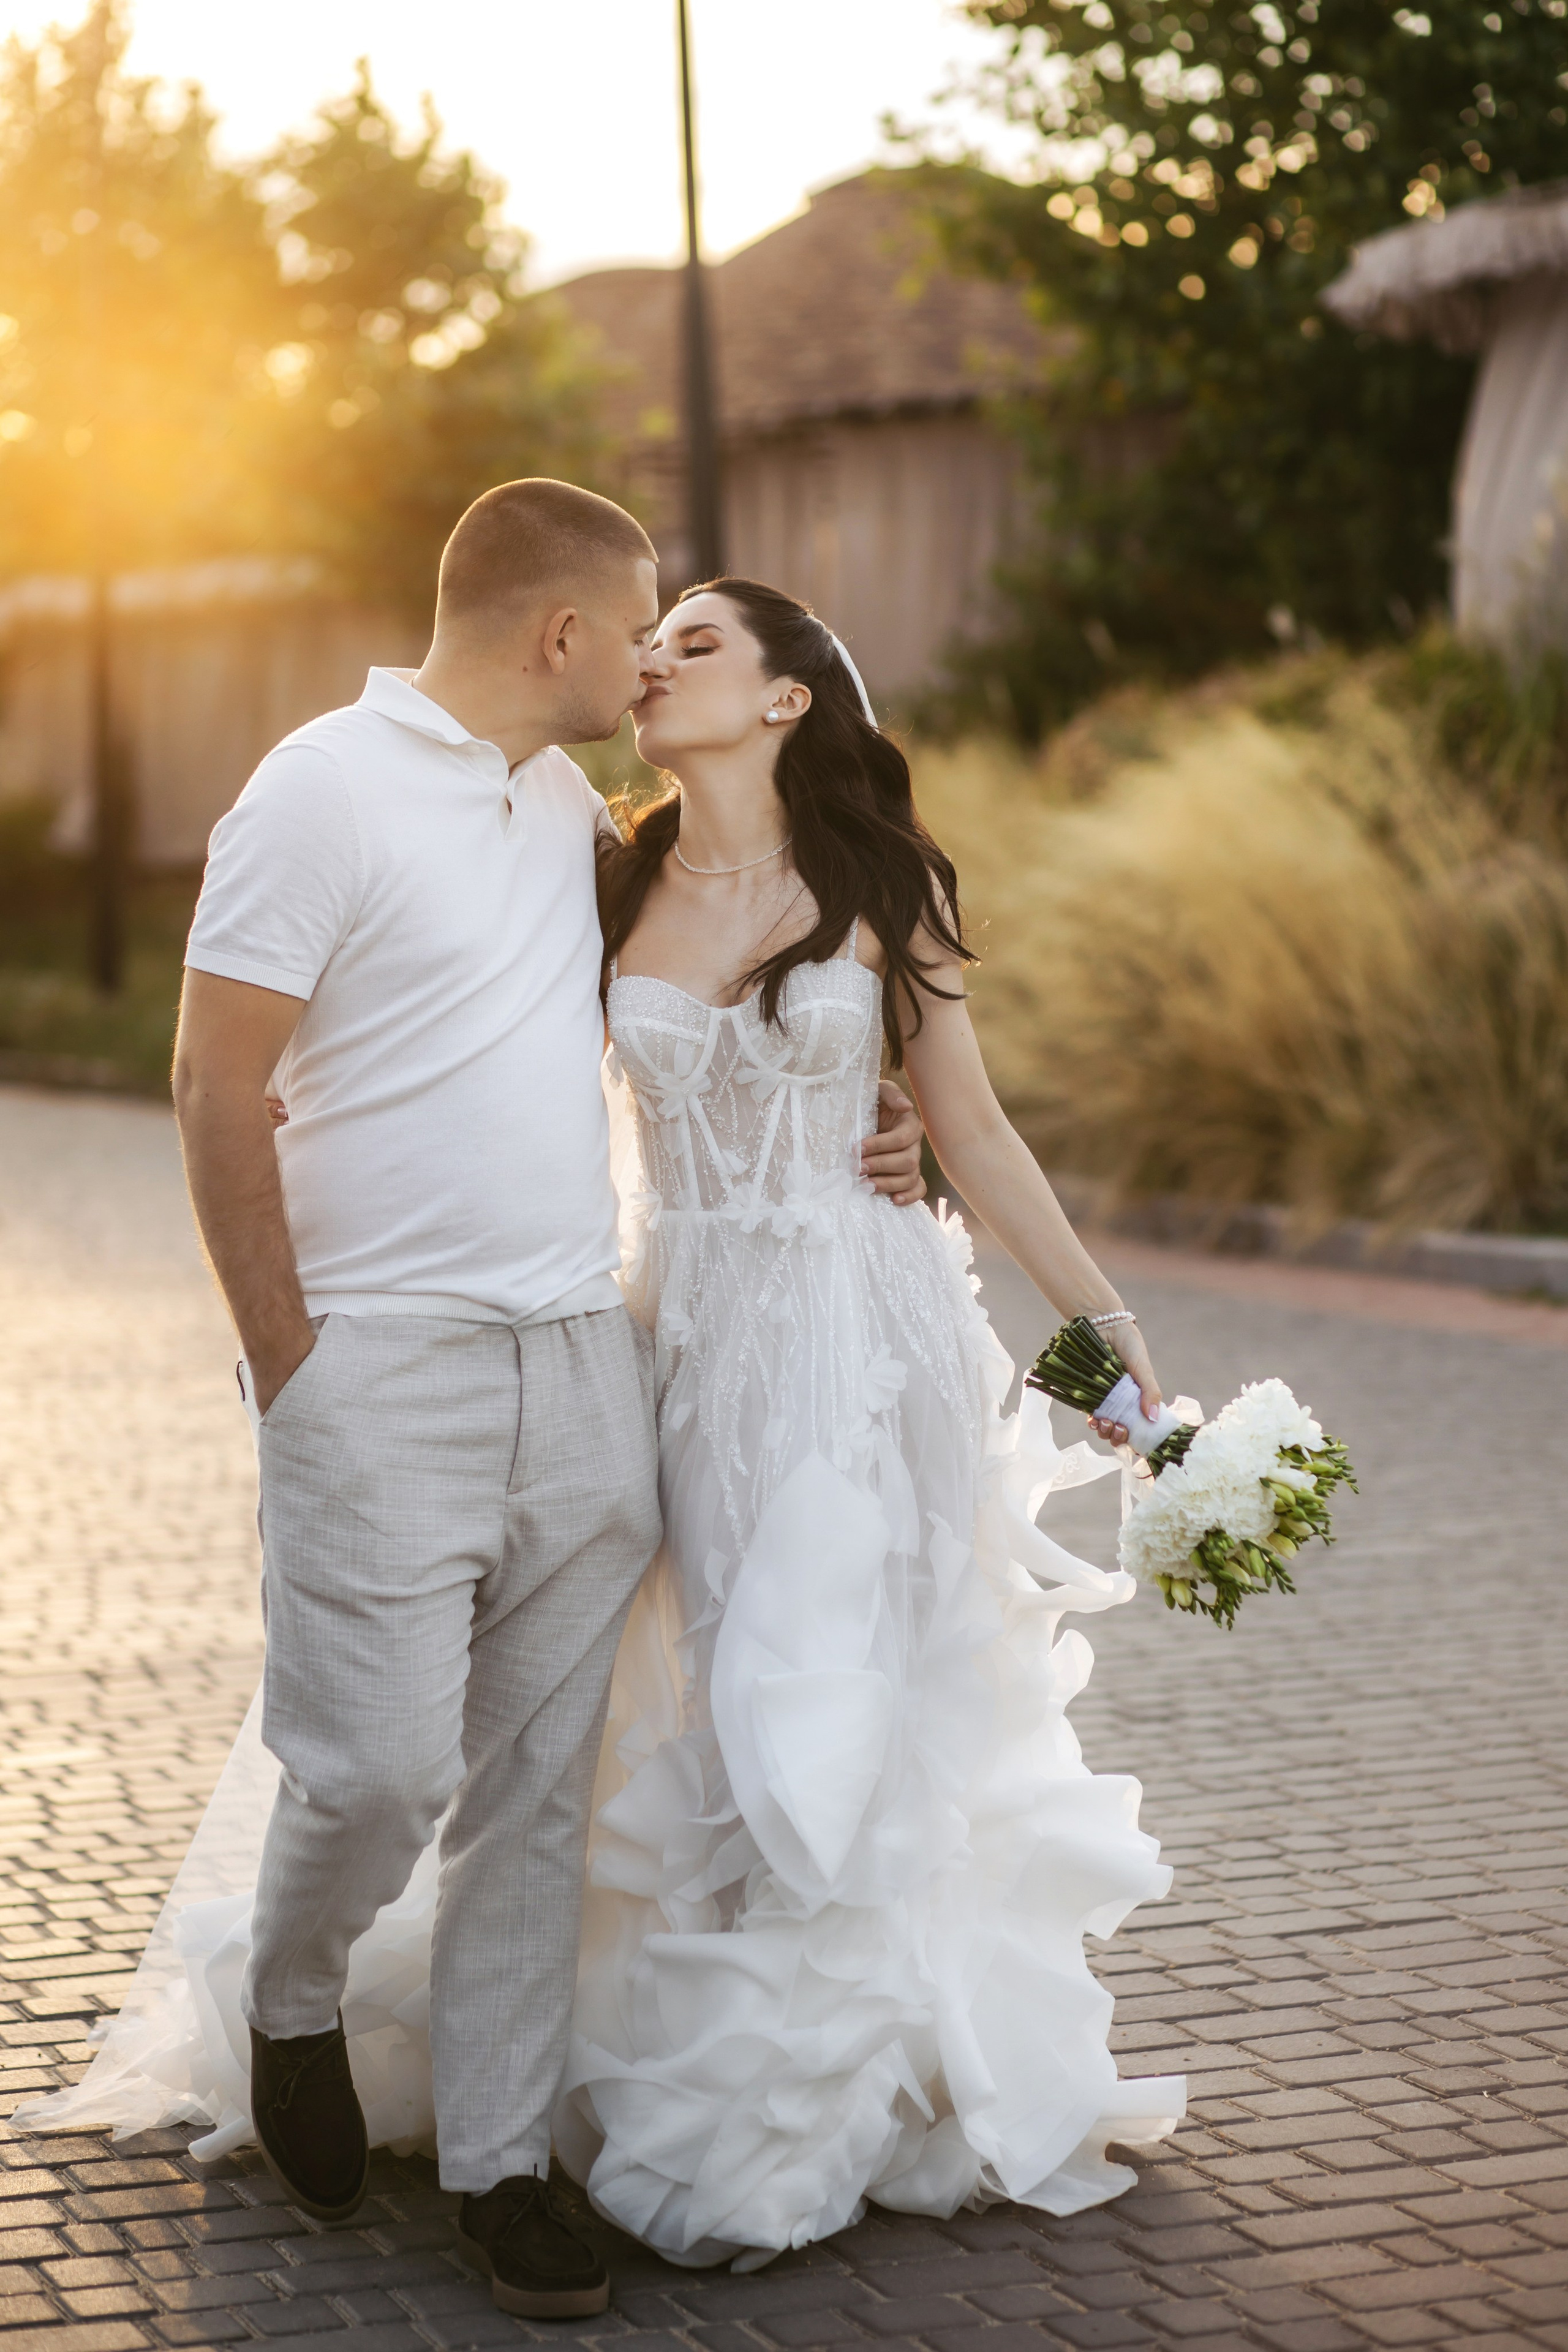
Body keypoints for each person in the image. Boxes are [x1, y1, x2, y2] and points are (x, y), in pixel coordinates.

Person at [13, 486, 926, 2323]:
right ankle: (292, 1998)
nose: (653, 659)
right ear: (559, 636)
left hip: (585, 1362)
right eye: (641, 627)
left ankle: (504, 2170)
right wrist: (291, 1358)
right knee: (373, 1765)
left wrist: (868, 1121)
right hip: (378, 1366)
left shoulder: (568, 812)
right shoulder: (318, 790)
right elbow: (211, 1079)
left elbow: (715, 988)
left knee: (534, 1801)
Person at [554, 578, 1184, 2263]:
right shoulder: (601, 878)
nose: (652, 660)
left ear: (785, 698)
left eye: (697, 641)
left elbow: (968, 1127)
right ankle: (699, 2040)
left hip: (861, 1333)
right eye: (652, 639)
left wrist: (1103, 1331)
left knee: (833, 1678)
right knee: (695, 1688)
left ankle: (810, 2092)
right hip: (678, 1332)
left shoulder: (877, 881)